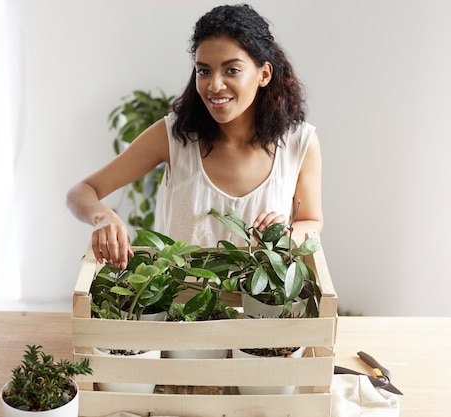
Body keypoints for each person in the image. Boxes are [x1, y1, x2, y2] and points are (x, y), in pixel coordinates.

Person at [67, 4, 323, 269]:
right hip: (177, 309)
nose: (214, 85)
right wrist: (104, 218)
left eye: (232, 70)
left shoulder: (300, 143)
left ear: (264, 74)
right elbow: (81, 192)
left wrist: (286, 235)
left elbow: (312, 221)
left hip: (260, 308)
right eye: (204, 71)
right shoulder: (173, 137)